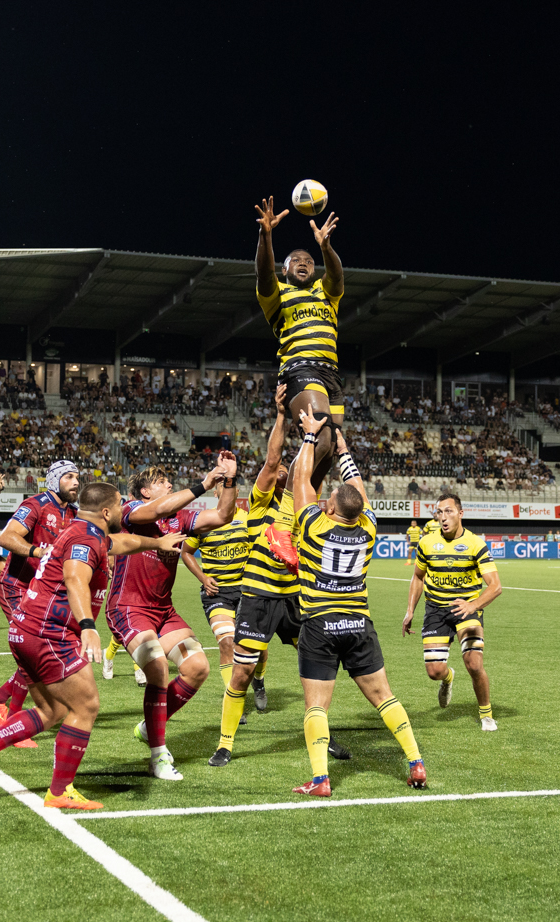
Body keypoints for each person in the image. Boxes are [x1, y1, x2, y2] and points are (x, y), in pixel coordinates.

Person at [0, 482, 187, 809]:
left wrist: (156, 541)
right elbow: (75, 577)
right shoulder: (86, 538)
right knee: (86, 706)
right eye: (120, 505)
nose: (123, 511)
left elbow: (123, 541)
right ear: (107, 511)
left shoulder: (84, 529)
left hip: (26, 630)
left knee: (53, 710)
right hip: (51, 633)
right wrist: (88, 627)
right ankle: (59, 793)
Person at [209, 388, 350, 766]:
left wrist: (332, 428)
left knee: (316, 668)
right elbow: (273, 459)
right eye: (281, 471)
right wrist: (282, 415)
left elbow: (316, 464)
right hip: (257, 598)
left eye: (292, 469)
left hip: (296, 599)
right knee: (242, 671)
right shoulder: (259, 501)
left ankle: (323, 733)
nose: (286, 470)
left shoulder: (301, 501)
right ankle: (225, 742)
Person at [289, 409, 425, 796]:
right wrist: (343, 446)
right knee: (385, 697)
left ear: (330, 507)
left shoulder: (314, 526)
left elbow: (301, 479)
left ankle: (320, 780)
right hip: (358, 625)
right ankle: (415, 763)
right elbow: (357, 489)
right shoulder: (369, 528)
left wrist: (311, 436)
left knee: (316, 706)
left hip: (320, 624)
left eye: (329, 498)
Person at [107, 452, 239, 780]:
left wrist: (230, 481)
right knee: (158, 668)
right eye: (160, 481)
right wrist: (204, 483)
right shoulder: (132, 511)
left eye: (169, 481)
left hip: (163, 611)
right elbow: (159, 509)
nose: (168, 484)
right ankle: (158, 755)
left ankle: (151, 724)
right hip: (128, 608)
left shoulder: (178, 519)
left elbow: (222, 516)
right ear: (145, 491)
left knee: (197, 668)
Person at [0, 461, 80, 741]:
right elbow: (7, 538)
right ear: (54, 481)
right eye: (69, 477)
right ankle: (12, 720)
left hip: (44, 593)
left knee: (37, 651)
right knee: (32, 652)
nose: (75, 482)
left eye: (77, 477)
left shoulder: (74, 512)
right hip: (16, 586)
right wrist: (38, 551)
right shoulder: (35, 504)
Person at [253, 195, 344, 488]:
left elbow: (337, 274)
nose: (303, 264)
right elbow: (263, 272)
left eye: (308, 261)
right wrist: (265, 236)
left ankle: (304, 515)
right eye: (296, 261)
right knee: (321, 436)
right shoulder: (276, 293)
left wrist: (326, 247)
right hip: (300, 369)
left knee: (329, 452)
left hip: (331, 375)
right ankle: (286, 512)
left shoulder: (325, 292)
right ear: (285, 269)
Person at [401, 494, 501, 731]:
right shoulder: (427, 543)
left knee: (474, 663)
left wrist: (473, 605)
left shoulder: (475, 544)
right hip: (435, 609)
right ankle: (448, 678)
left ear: (460, 514)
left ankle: (486, 715)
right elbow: (417, 576)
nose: (443, 518)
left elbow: (495, 586)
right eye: (439, 513)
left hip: (467, 609)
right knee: (434, 671)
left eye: (448, 512)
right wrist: (409, 611)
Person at [181, 505, 254, 696]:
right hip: (217, 594)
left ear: (236, 490)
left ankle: (259, 682)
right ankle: (234, 698)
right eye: (221, 484)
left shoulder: (248, 519)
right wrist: (203, 578)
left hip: (246, 591)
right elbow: (186, 551)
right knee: (227, 642)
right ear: (216, 491)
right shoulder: (205, 521)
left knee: (253, 646)